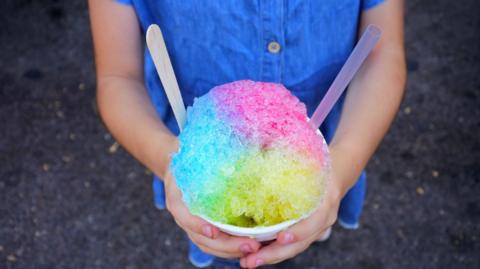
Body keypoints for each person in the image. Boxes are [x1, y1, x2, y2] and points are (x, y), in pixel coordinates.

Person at [88, 0, 406, 268]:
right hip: (202, 169)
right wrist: (167, 162)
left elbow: (381, 53)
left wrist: (342, 167)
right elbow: (118, 77)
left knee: (303, 230)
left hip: (329, 151)